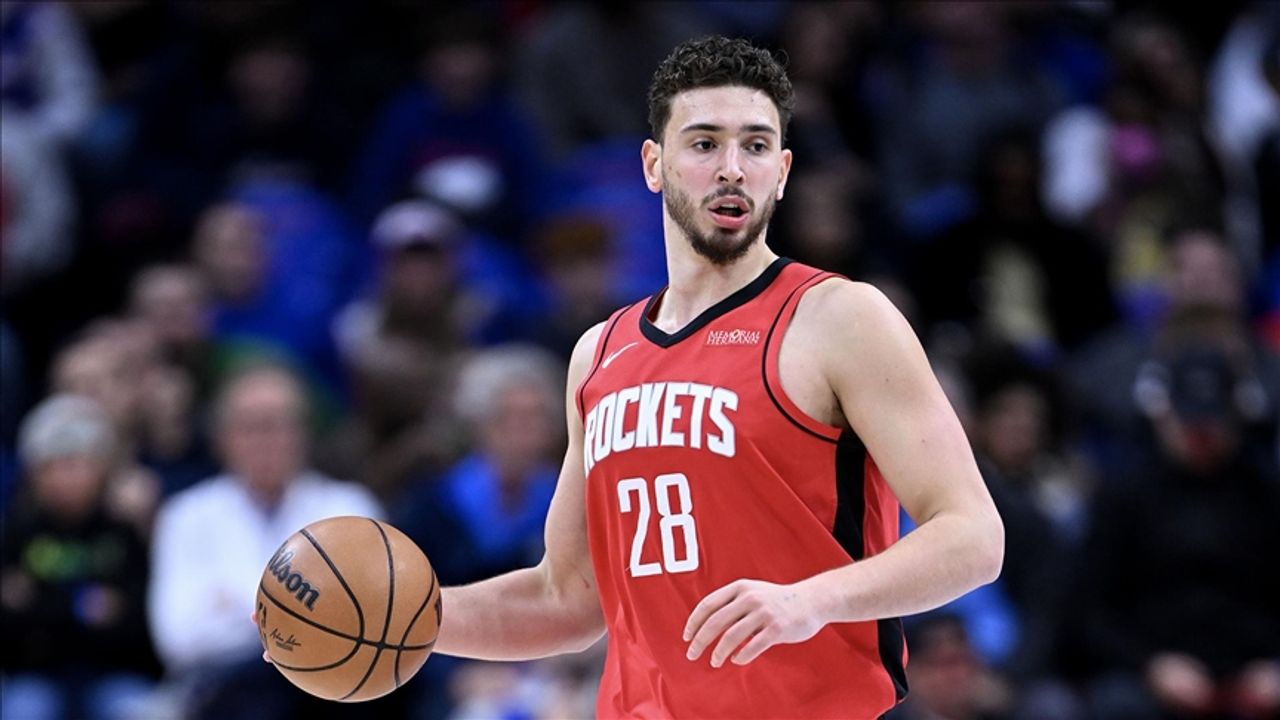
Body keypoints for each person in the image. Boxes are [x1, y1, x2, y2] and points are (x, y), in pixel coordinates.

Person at [280, 36, 1001, 719]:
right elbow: (567, 599)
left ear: (782, 172)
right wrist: (396, 616)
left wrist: (811, 600)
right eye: (704, 143)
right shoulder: (599, 354)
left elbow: (973, 537)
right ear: (654, 165)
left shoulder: (839, 318)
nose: (732, 168)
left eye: (755, 145)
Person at [150, 363, 383, 719]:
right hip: (221, 692)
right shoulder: (186, 515)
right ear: (222, 437)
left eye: (277, 424)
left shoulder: (348, 507)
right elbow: (179, 637)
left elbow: (369, 621)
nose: (265, 440)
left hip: (331, 690)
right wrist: (308, 610)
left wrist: (233, 603)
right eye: (250, 426)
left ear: (303, 433)